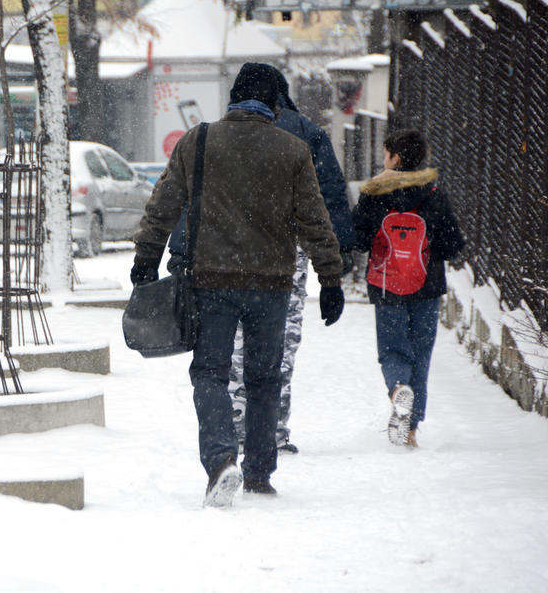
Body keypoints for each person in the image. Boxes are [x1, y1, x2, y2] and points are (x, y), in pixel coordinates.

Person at [131, 62, 346, 507]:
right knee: (264, 379)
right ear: (274, 103)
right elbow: (314, 219)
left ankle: (220, 460)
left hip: (213, 282)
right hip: (272, 284)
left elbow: (164, 205)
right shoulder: (292, 149)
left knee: (210, 373)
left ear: (233, 98)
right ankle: (259, 473)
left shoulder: (200, 140)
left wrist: (146, 258)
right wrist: (330, 278)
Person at [169, 66, 356, 454]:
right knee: (274, 357)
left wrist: (175, 250)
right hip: (281, 260)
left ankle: (231, 432)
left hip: (218, 259)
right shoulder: (304, 135)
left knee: (219, 358)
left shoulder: (207, 138)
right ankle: (271, 435)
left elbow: (186, 197)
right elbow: (325, 201)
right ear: (279, 98)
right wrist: (335, 263)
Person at [351, 129, 464, 447]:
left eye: (386, 155)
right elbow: (453, 245)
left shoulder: (375, 192)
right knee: (421, 354)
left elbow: (357, 239)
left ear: (395, 158)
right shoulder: (434, 192)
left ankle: (399, 389)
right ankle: (411, 430)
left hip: (387, 284)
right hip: (426, 286)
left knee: (392, 349)